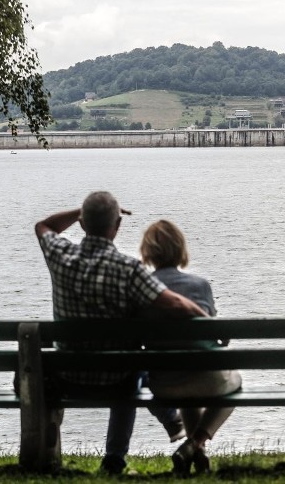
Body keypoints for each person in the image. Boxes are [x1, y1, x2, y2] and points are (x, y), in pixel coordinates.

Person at [35, 191, 208, 475]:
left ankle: (168, 425)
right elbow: (175, 303)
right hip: (116, 379)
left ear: (82, 224)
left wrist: (81, 211)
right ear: (117, 225)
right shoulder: (129, 269)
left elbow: (44, 226)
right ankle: (120, 456)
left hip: (67, 376)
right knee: (132, 365)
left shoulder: (60, 255)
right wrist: (207, 320)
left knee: (131, 364)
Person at [139, 219, 241, 476]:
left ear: (148, 252)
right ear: (180, 250)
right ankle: (195, 444)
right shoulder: (200, 285)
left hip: (163, 385)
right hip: (206, 381)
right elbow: (216, 333)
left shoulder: (139, 290)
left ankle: (195, 451)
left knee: (184, 376)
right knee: (235, 383)